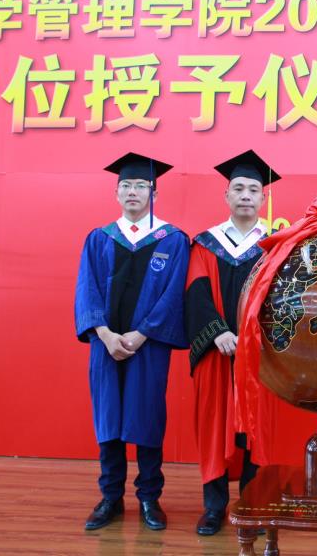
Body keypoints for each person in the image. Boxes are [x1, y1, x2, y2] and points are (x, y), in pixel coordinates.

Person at [74, 152, 189, 531]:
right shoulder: (99, 238)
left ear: (154, 192)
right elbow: (87, 290)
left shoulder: (173, 240)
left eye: (141, 185)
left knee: (147, 418)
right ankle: (110, 497)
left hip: (148, 345)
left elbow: (172, 295)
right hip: (105, 345)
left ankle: (149, 498)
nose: (133, 191)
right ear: (116, 192)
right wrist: (104, 334)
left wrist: (141, 334)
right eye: (126, 185)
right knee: (108, 419)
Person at [185, 150, 280, 536]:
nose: (245, 195)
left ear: (263, 198)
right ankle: (214, 507)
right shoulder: (206, 244)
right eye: (238, 188)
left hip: (258, 358)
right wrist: (219, 333)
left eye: (253, 190)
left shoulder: (275, 246)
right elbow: (196, 292)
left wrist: (252, 339)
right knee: (214, 426)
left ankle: (252, 504)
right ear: (226, 196)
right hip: (216, 354)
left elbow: (283, 299)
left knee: (256, 429)